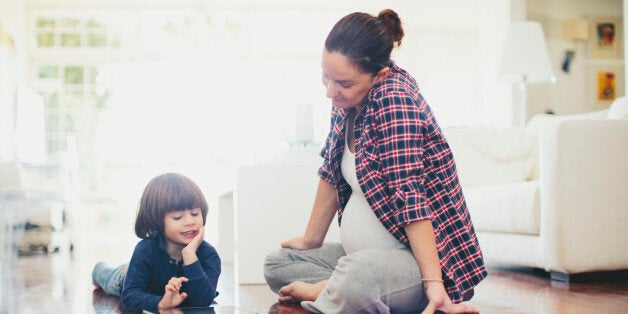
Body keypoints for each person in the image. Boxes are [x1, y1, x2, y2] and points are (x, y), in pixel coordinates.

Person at [264, 9, 486, 314]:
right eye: (326, 76)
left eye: (342, 82)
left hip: (415, 264)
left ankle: (332, 289)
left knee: (357, 279)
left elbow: (411, 198)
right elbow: (331, 169)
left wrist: (435, 286)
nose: (330, 91)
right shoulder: (347, 99)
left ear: (379, 75)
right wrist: (310, 239)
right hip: (362, 258)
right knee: (278, 263)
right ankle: (336, 288)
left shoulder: (395, 101)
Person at [92, 173, 221, 313]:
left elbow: (203, 302)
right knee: (105, 276)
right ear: (156, 220)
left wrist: (189, 255)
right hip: (125, 277)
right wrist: (160, 303)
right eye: (177, 217)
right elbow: (130, 296)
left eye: (195, 214)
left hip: (148, 278)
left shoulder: (210, 255)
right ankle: (98, 268)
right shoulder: (144, 250)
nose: (190, 222)